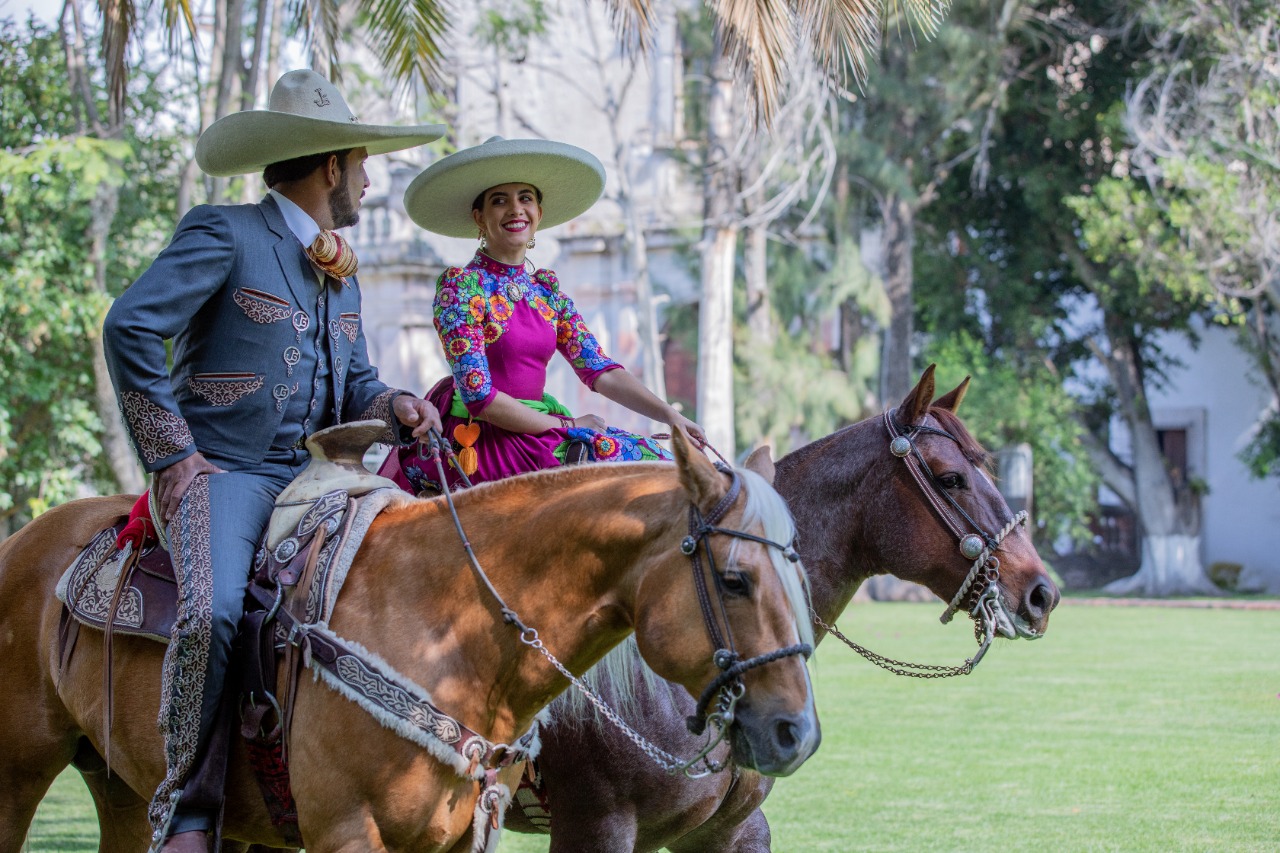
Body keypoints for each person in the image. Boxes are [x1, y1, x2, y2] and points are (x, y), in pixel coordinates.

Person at [102, 69, 445, 853]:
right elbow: (129, 327)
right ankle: (187, 809)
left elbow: (355, 382)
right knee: (214, 611)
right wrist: (173, 455)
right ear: (331, 166)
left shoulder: (343, 272)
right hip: (224, 472)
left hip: (323, 477)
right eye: (362, 162)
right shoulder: (223, 232)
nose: (367, 178)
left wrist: (395, 404)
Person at [378, 136, 704, 494]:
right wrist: (565, 423)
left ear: (539, 214)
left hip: (542, 426)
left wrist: (671, 417)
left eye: (525, 199)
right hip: (487, 438)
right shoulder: (461, 287)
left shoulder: (546, 290)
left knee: (668, 460)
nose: (515, 209)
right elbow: (479, 397)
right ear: (479, 218)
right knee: (639, 465)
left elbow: (599, 369)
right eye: (499, 201)